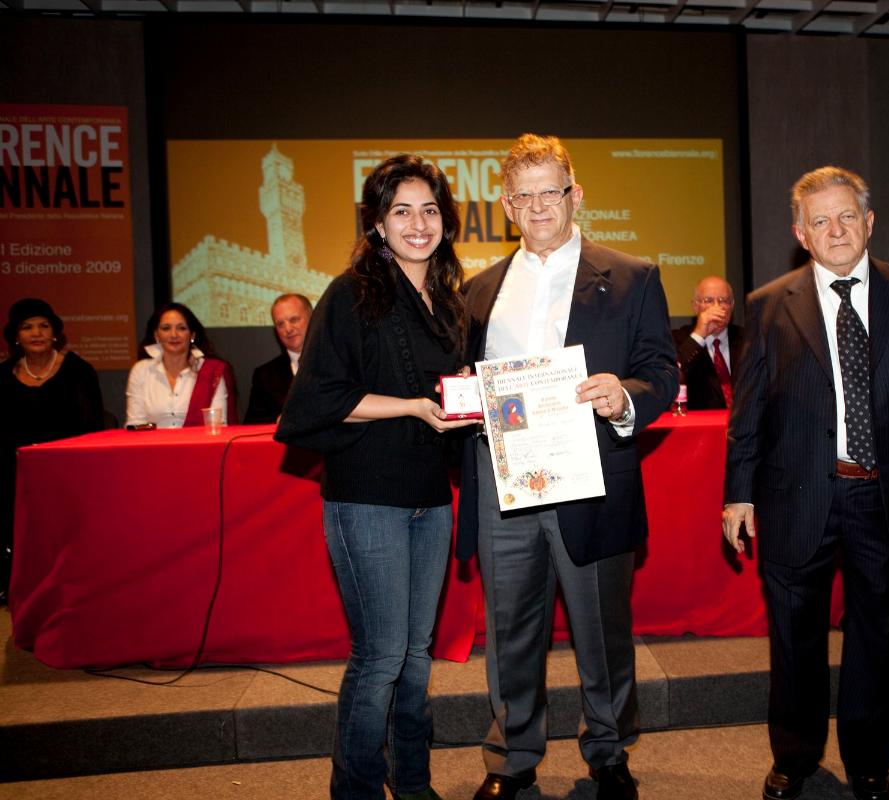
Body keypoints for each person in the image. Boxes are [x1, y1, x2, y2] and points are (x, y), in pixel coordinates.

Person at [722, 167, 889, 800]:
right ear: (801, 234)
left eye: (847, 216)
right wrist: (738, 493)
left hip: (886, 497)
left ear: (870, 222)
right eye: (821, 221)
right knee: (794, 640)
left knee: (879, 638)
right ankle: (795, 757)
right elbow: (748, 412)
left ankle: (868, 763)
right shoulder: (768, 304)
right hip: (796, 496)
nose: (836, 230)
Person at [457, 134, 676, 800]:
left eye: (549, 192)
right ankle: (511, 757)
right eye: (522, 196)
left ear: (574, 195)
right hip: (503, 481)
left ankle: (608, 753)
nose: (537, 207)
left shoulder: (633, 275)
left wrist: (624, 397)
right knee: (510, 632)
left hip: (593, 478)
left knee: (601, 630)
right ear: (506, 206)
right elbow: (465, 379)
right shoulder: (479, 290)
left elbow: (661, 372)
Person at [275, 155, 476, 800]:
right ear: (379, 224)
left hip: (430, 498)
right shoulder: (350, 294)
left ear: (445, 220)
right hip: (366, 498)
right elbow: (319, 398)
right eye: (401, 211)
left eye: (430, 210)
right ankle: (356, 789)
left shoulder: (448, 301)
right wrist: (412, 406)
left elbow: (454, 395)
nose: (418, 224)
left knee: (416, 656)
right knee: (382, 655)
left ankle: (411, 782)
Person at [1, 298, 105, 604]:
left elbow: (91, 427)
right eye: (27, 327)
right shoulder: (3, 375)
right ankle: (19, 584)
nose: (36, 333)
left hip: (67, 468)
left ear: (55, 332)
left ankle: (71, 584)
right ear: (16, 336)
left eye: (43, 326)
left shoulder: (79, 372)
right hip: (15, 469)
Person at [125, 303, 237, 428]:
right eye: (166, 328)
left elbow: (218, 425)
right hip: (151, 441)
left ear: (192, 335)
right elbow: (135, 424)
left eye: (181, 328)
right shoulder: (141, 370)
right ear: (156, 335)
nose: (174, 335)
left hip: (199, 441)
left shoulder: (211, 372)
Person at [672, 275, 742, 410]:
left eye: (723, 301)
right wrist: (700, 334)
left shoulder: (748, 339)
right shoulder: (678, 339)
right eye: (708, 301)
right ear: (695, 307)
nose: (716, 307)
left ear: (732, 305)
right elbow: (671, 375)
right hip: (700, 421)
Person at [244, 293, 312, 423]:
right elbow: (252, 423)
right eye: (280, 324)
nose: (288, 329)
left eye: (294, 320)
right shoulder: (265, 375)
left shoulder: (337, 363)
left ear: (312, 319)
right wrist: (280, 421)